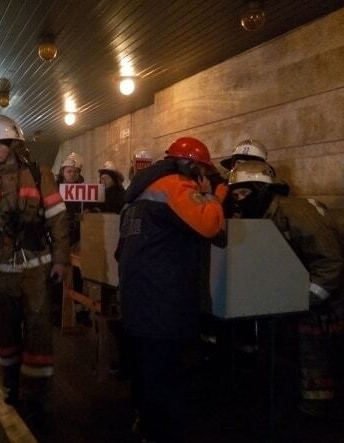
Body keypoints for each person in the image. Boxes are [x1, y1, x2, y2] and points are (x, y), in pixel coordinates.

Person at [117, 136, 224, 442]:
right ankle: (158, 432)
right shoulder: (175, 184)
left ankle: (144, 421)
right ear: (191, 166)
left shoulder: (140, 191)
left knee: (144, 364)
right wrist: (213, 195)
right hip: (163, 298)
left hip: (138, 294)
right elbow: (210, 226)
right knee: (164, 370)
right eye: (202, 171)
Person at [228, 160, 344, 416]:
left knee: (314, 355)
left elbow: (330, 264)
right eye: (235, 195)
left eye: (243, 193)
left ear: (261, 191)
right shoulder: (265, 214)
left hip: (325, 298)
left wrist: (302, 299)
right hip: (297, 293)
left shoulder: (297, 213)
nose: (238, 200)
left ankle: (317, 411)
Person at [0, 114, 70, 417]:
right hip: (0, 272)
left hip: (36, 269)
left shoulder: (41, 175)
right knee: (7, 332)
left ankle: (36, 393)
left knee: (39, 332)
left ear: (14, 144)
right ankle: (11, 388)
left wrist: (61, 259)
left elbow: (58, 219)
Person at [56, 152, 85, 245]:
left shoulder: (84, 190)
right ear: (62, 172)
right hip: (58, 231)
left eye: (76, 171)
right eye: (69, 171)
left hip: (78, 232)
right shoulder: (54, 188)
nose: (72, 174)